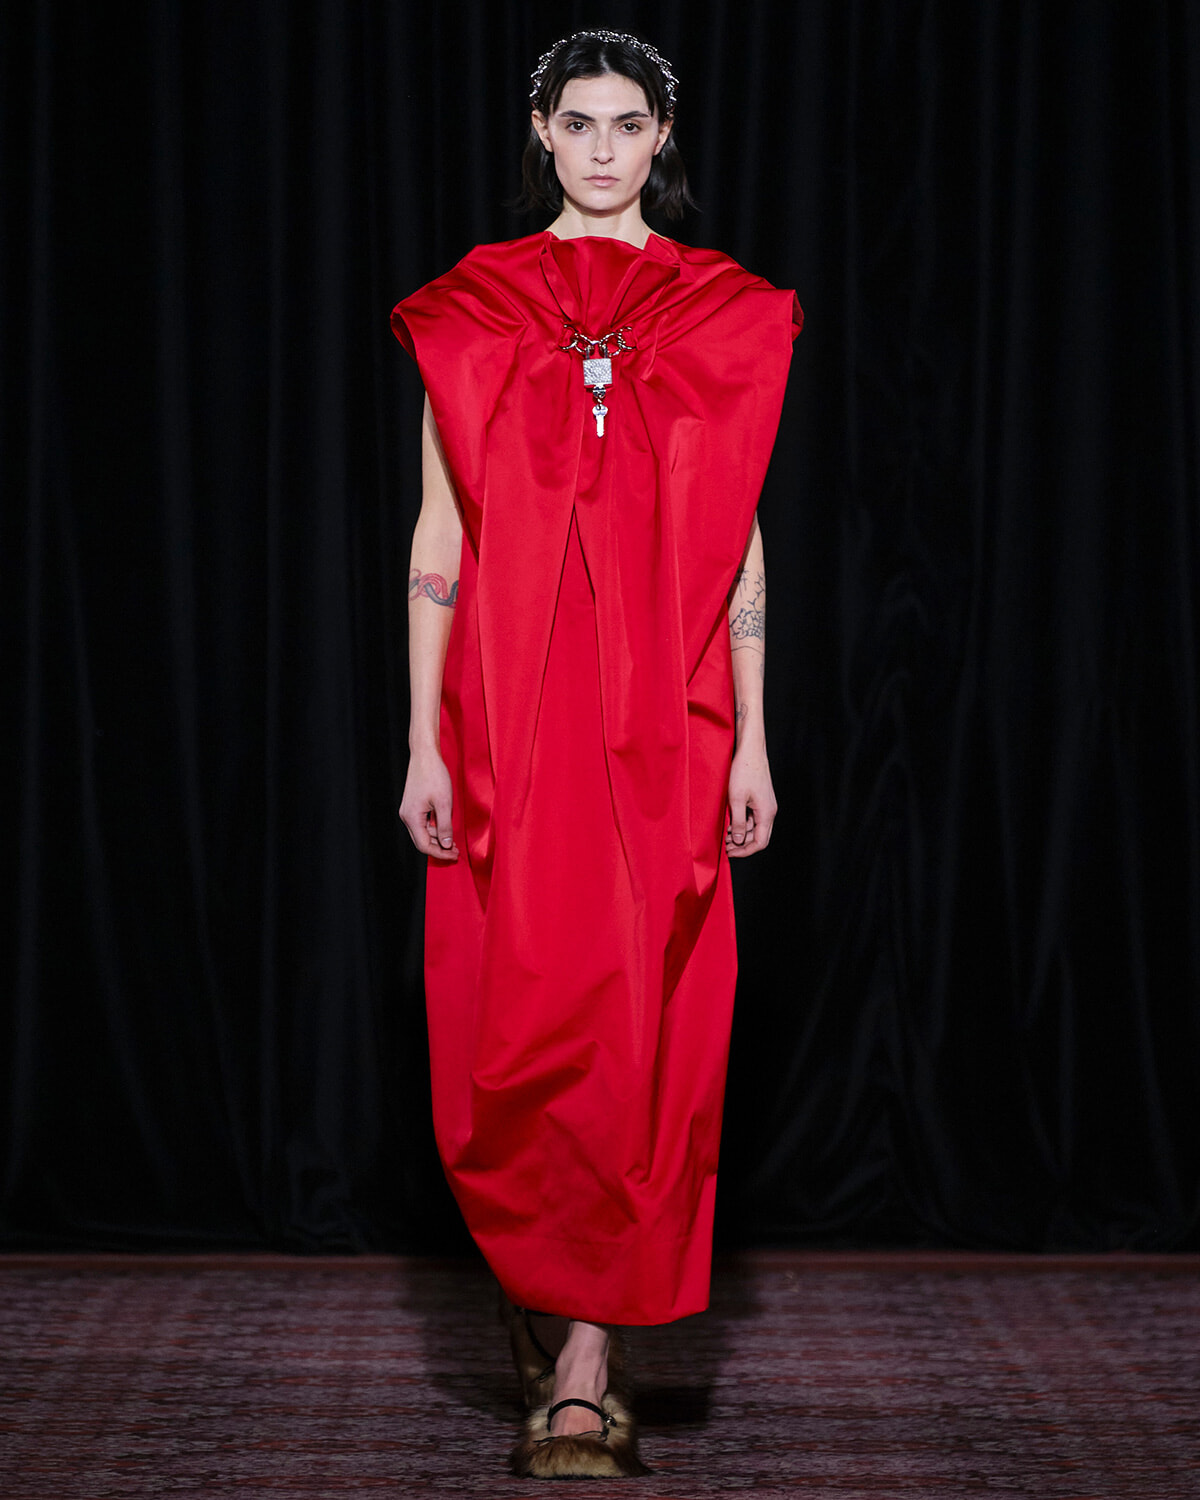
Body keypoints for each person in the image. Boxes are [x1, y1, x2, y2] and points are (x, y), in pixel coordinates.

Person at [391, 29, 801, 1480]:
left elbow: (738, 538)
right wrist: (421, 741)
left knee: (648, 1029)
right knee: (517, 1032)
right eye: (582, 123)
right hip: (510, 717)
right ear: (544, 133)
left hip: (664, 721)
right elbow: (441, 536)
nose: (607, 148)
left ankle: (583, 1369)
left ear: (665, 135)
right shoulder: (475, 305)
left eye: (633, 124)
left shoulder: (727, 314)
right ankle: (542, 1281)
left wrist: (754, 735)